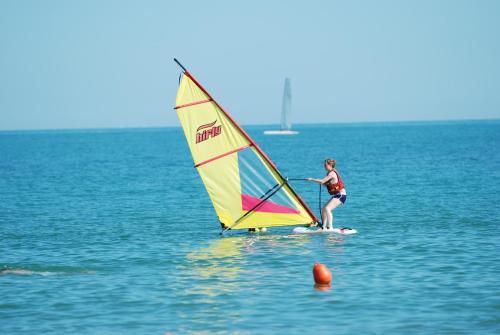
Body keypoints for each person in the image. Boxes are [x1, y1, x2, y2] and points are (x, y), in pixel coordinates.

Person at [307, 159, 347, 230]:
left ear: (330, 165)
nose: (324, 166)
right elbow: (326, 183)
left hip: (341, 195)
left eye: (325, 165)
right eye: (324, 165)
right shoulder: (329, 173)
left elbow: (322, 181)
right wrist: (324, 184)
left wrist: (312, 179)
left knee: (328, 208)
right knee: (323, 209)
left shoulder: (332, 173)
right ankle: (324, 227)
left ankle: (330, 227)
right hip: (337, 195)